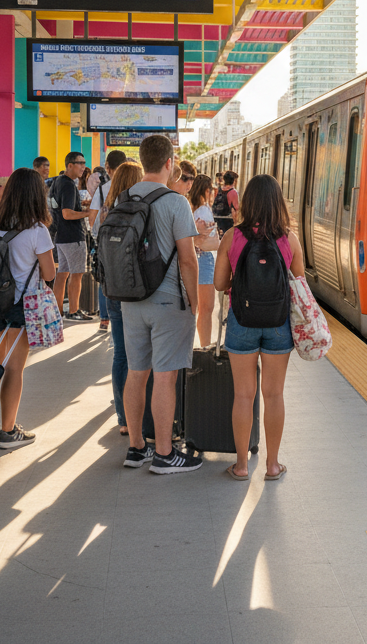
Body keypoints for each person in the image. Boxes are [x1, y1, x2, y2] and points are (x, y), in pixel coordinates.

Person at [213, 173, 302, 481]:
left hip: (242, 320)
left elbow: (218, 283)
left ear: (247, 201)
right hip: (278, 323)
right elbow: (299, 284)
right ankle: (273, 466)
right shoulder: (289, 238)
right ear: (278, 202)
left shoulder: (232, 237)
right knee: (274, 395)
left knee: (243, 395)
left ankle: (240, 465)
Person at [121, 136, 201, 474]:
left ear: (142, 162)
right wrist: (194, 302)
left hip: (130, 300)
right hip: (168, 301)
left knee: (137, 372)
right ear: (170, 163)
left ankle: (137, 447)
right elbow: (188, 260)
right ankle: (166, 454)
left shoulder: (124, 197)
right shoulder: (176, 202)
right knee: (165, 378)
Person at [0, 167, 57, 449]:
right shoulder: (37, 230)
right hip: (20, 307)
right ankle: (8, 432)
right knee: (14, 370)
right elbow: (47, 274)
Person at [99, 160, 143, 434]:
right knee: (140, 355)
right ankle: (140, 414)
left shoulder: (107, 211)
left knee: (121, 355)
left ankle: (123, 419)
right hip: (138, 291)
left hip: (112, 289)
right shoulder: (141, 211)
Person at [86, 150, 128, 333]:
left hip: (106, 243)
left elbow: (92, 219)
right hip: (128, 242)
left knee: (105, 280)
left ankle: (104, 320)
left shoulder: (103, 189)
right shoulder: (133, 186)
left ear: (108, 168)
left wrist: (97, 235)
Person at [49, 151, 92, 322]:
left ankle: (57, 310)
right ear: (69, 165)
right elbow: (67, 213)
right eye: (79, 163)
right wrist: (88, 213)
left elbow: (61, 206)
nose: (83, 166)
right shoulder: (68, 185)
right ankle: (74, 310)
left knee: (62, 274)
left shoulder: (57, 181)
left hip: (60, 236)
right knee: (77, 274)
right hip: (73, 236)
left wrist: (81, 204)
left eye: (84, 162)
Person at [188, 174, 220, 348]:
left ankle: (202, 344)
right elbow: (208, 243)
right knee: (206, 308)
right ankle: (205, 346)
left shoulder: (192, 208)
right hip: (204, 259)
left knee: (198, 308)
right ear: (206, 190)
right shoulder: (203, 210)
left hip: (195, 257)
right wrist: (216, 243)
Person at [213, 170, 240, 236]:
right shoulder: (233, 192)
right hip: (227, 223)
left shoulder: (217, 190)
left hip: (215, 221)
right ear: (234, 181)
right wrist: (236, 225)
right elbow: (235, 210)